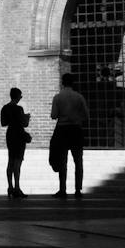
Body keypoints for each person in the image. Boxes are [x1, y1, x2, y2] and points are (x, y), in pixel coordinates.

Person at [48, 71, 88, 199]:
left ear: (62, 83)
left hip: (62, 130)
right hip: (76, 130)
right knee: (78, 161)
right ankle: (77, 189)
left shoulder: (58, 97)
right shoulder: (79, 97)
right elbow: (86, 115)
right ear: (73, 83)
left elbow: (53, 115)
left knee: (62, 161)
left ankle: (62, 189)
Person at [0, 86, 31, 198]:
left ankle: (10, 187)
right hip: (19, 135)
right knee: (17, 163)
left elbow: (3, 123)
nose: (21, 98)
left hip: (10, 135)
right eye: (20, 96)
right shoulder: (19, 109)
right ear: (17, 96)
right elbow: (24, 124)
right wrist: (27, 118)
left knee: (10, 161)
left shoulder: (4, 108)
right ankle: (17, 188)